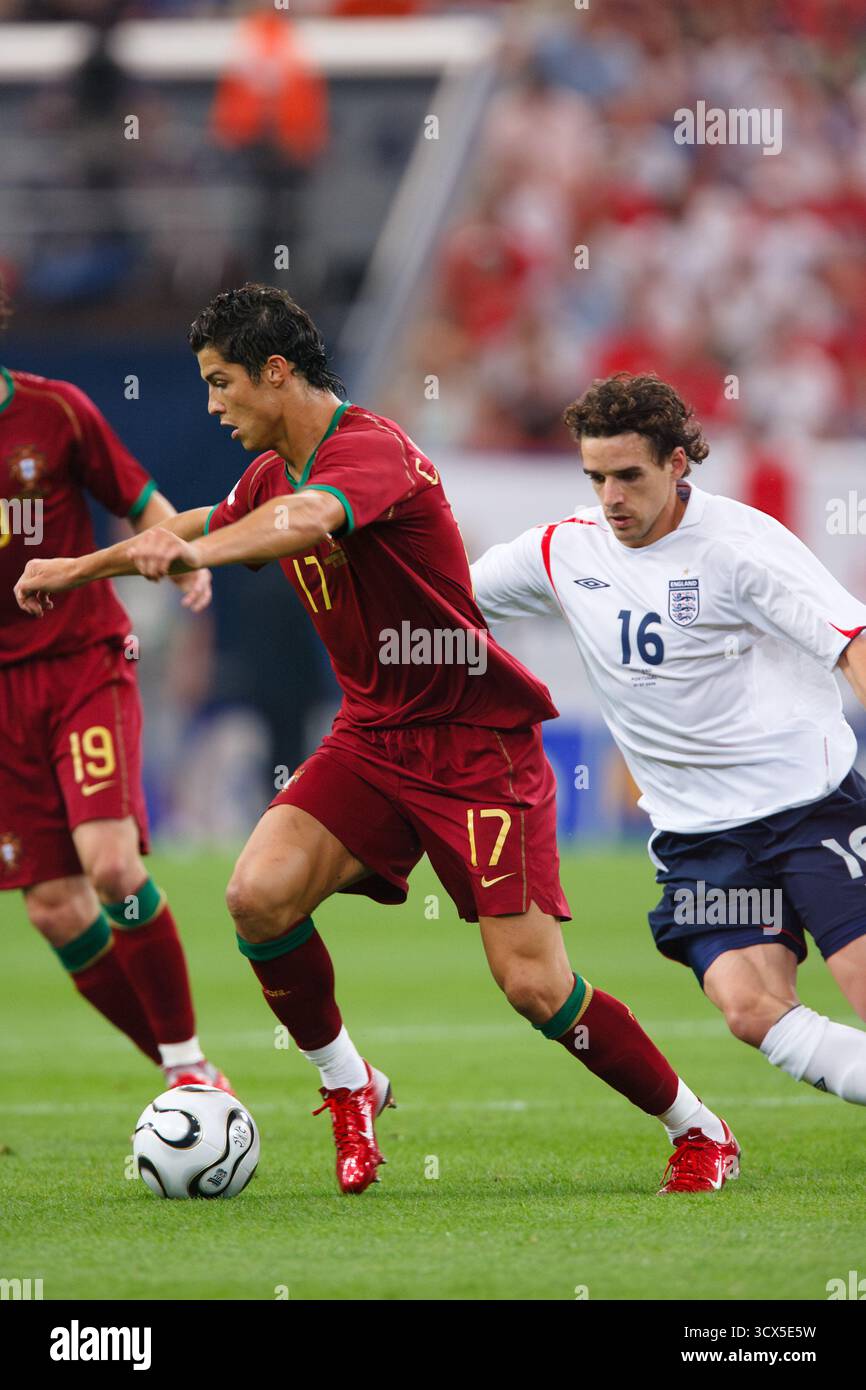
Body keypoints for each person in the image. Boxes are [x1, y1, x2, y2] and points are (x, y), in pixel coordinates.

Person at [16, 288, 738, 1196]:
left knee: (533, 984)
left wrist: (195, 556)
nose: (211, 404)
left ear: (275, 372)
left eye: (221, 382)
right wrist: (81, 567)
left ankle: (700, 1130)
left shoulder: (369, 450)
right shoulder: (271, 475)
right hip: (374, 737)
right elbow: (198, 523)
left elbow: (306, 521)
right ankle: (349, 1084)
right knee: (257, 897)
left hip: (475, 744)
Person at [470, 370, 866, 1113]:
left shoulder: (742, 546)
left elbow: (852, 643)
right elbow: (448, 596)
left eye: (629, 476)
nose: (611, 497)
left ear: (677, 464)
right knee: (750, 1008)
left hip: (810, 807)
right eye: (596, 478)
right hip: (701, 837)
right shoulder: (565, 550)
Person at [0, 277, 230, 1093]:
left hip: (80, 665)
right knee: (53, 908)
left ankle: (187, 1065)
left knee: (112, 870)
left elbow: (140, 500)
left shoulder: (56, 412)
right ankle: (190, 1077)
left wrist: (183, 559)